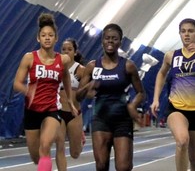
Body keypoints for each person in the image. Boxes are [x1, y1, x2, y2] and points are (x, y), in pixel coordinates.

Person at [150, 18, 195, 171]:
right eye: (183, 31)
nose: (186, 34)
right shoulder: (171, 55)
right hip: (177, 108)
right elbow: (161, 74)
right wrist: (156, 98)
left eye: (190, 31)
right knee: (182, 141)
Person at [13, 13, 78, 171]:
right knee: (36, 157)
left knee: (45, 145)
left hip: (52, 110)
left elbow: (66, 79)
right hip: (32, 110)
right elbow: (16, 83)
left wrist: (70, 101)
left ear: (56, 39)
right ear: (38, 38)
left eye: (50, 35)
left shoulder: (63, 60)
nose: (47, 38)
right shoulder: (29, 58)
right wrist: (28, 91)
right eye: (43, 35)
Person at [76, 23, 146, 171]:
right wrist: (89, 86)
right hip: (101, 120)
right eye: (107, 38)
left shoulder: (128, 66)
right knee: (101, 165)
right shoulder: (92, 66)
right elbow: (78, 96)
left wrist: (133, 106)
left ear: (120, 42)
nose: (110, 42)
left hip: (122, 120)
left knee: (123, 167)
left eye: (114, 39)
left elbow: (141, 93)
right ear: (102, 40)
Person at [55, 38, 86, 171]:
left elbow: (83, 94)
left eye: (69, 49)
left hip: (74, 114)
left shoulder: (81, 70)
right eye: (64, 49)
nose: (66, 52)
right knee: (59, 146)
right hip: (58, 112)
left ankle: (80, 139)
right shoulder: (55, 67)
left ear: (75, 52)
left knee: (75, 153)